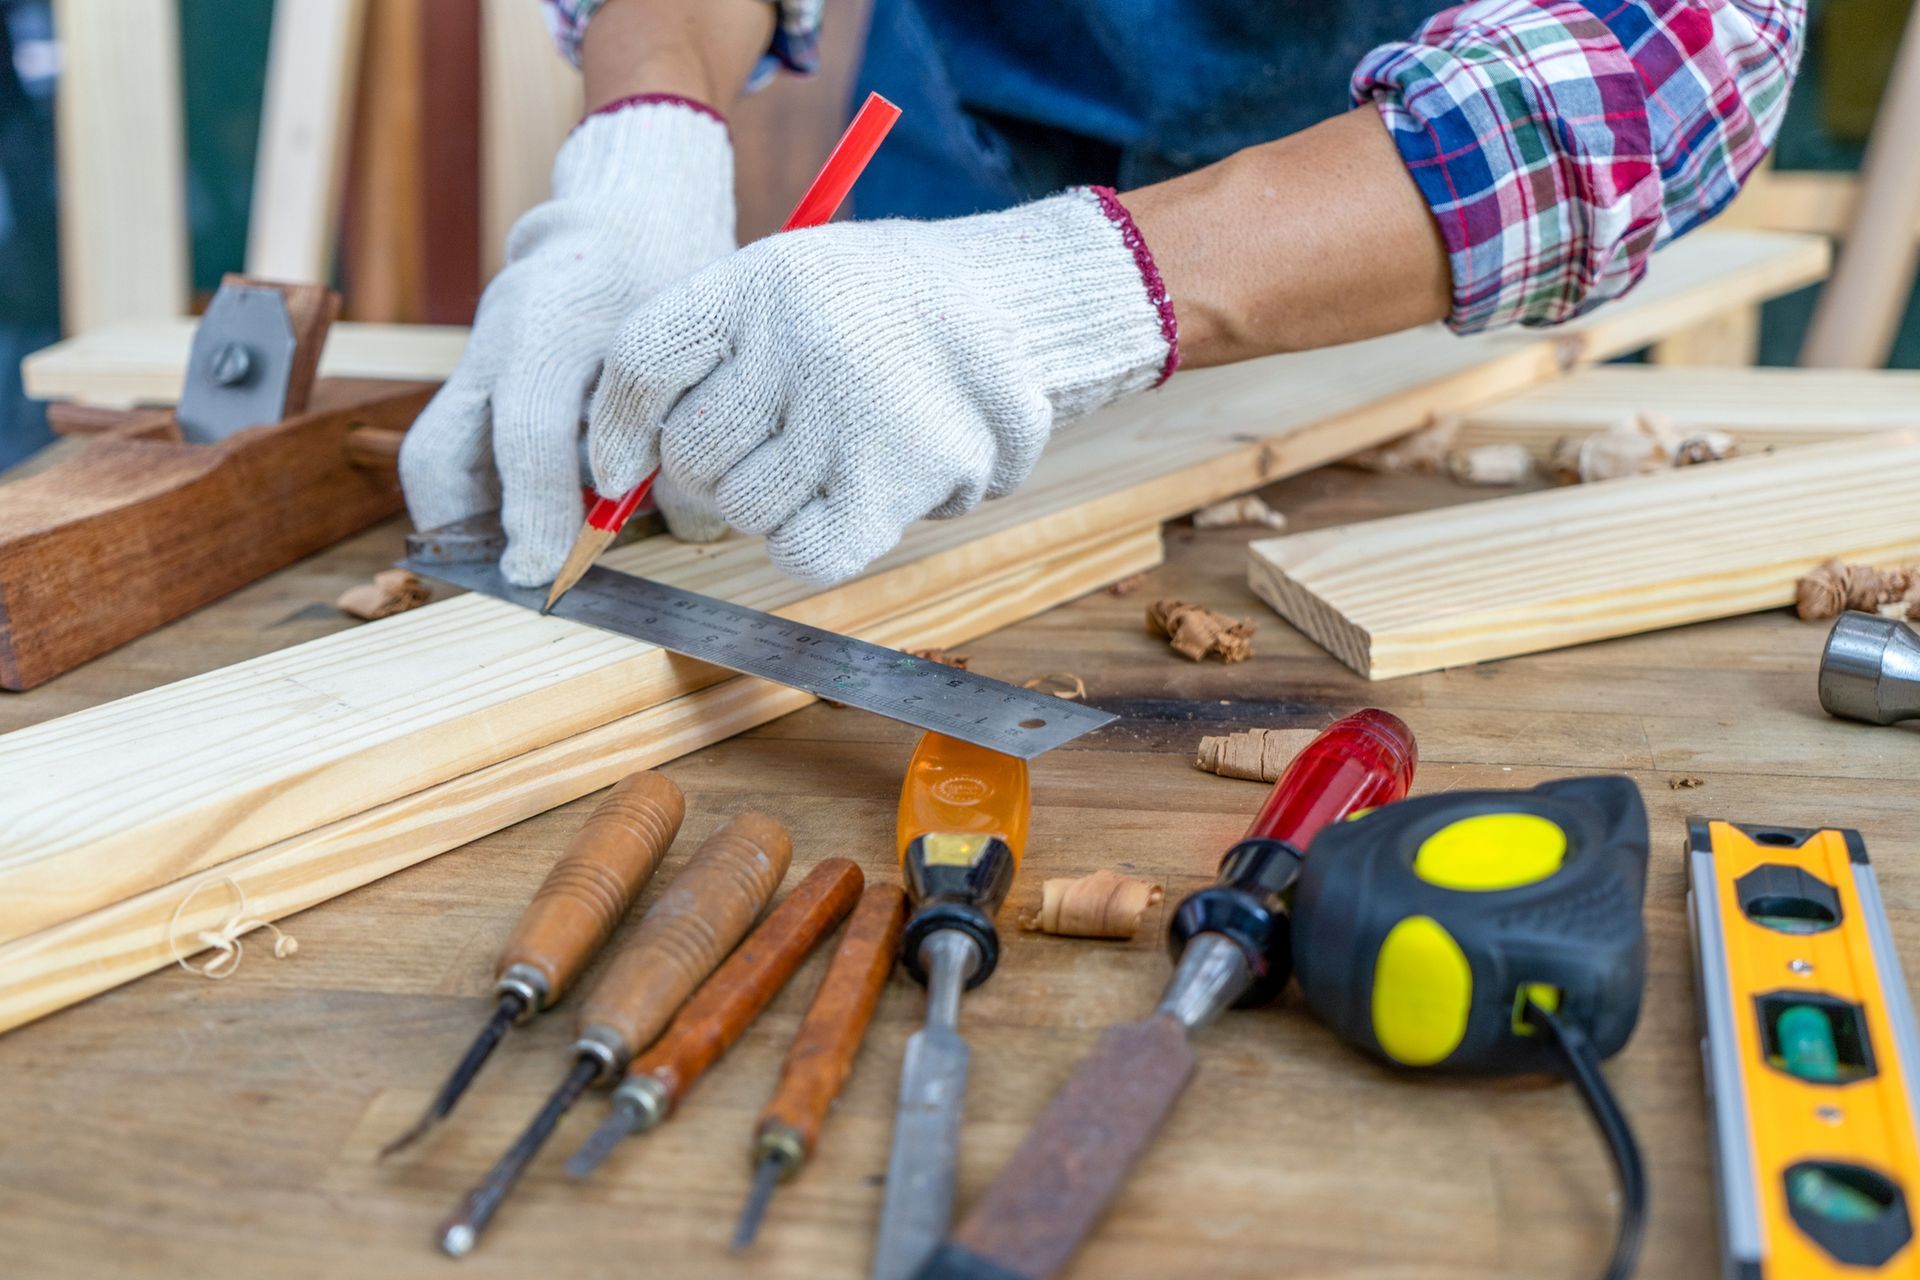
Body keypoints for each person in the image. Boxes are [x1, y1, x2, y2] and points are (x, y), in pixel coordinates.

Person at [399, 0, 1804, 587]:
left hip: (1411, 277)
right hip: (965, 191)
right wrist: (646, 142)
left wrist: (1068, 292)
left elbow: (1672, 58)